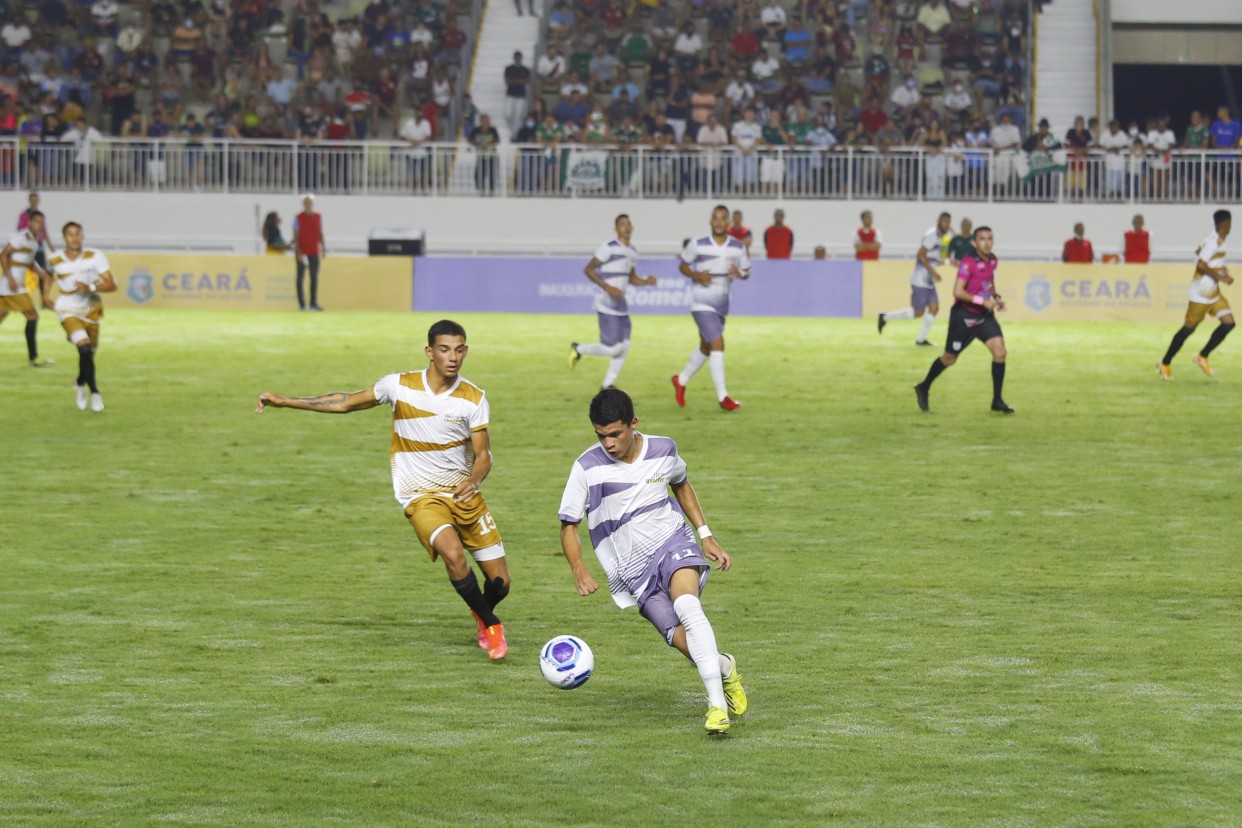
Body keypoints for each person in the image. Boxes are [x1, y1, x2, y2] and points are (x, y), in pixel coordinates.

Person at [256, 319, 511, 660]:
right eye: (445, 349)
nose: (453, 357)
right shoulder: (398, 386)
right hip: (420, 495)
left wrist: (474, 480)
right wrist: (286, 401)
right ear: (429, 352)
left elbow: (484, 456)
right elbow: (346, 401)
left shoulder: (473, 398)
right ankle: (491, 626)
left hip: (464, 496)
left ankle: (480, 609)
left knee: (500, 584)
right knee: (452, 554)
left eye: (460, 350)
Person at [557, 388, 747, 734]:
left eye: (615, 434)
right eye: (601, 436)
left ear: (633, 423)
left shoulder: (663, 449)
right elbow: (568, 524)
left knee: (688, 605)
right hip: (634, 570)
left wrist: (704, 534)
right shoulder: (586, 467)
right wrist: (578, 568)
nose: (609, 443)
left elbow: (681, 484)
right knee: (676, 635)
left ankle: (717, 708)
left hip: (674, 542)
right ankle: (723, 667)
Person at [913, 225, 1014, 414]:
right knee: (949, 359)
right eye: (982, 239)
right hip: (964, 317)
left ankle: (997, 400)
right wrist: (981, 301)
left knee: (1000, 353)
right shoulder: (968, 263)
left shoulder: (993, 260)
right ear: (975, 243)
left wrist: (996, 297)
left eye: (990, 238)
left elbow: (989, 283)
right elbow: (957, 292)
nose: (987, 242)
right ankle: (924, 386)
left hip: (984, 317)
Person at [672, 205, 751, 412]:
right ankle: (723, 397)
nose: (718, 222)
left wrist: (740, 273)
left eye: (722, 218)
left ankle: (680, 380)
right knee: (717, 344)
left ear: (728, 223)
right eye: (715, 218)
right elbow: (682, 265)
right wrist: (697, 275)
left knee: (706, 347)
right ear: (710, 221)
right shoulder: (697, 244)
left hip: (722, 305)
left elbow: (746, 271)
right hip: (701, 302)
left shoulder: (737, 247)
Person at [569, 214, 658, 389]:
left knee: (625, 345)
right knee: (613, 348)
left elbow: (631, 278)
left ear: (632, 227)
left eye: (628, 224)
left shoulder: (633, 251)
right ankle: (579, 349)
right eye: (622, 225)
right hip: (606, 303)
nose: (626, 227)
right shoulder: (608, 247)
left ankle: (607, 384)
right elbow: (588, 269)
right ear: (616, 229)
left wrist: (647, 281)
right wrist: (607, 287)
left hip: (621, 304)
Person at [47, 221, 115, 412]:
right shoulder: (54, 259)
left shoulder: (95, 256)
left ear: (83, 236)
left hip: (91, 309)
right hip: (67, 310)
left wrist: (90, 287)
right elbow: (48, 275)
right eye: (70, 234)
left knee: (89, 356)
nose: (74, 238)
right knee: (84, 349)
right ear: (64, 238)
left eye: (77, 234)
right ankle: (94, 392)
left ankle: (80, 381)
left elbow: (112, 284)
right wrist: (45, 295)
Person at [1158, 210, 1234, 380]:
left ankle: (1202, 356)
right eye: (1230, 224)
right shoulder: (1215, 241)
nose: (1231, 227)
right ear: (1225, 224)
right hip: (1200, 293)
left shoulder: (1214, 239)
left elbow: (1198, 250)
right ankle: (1165, 362)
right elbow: (1200, 264)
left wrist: (1220, 268)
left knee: (1229, 323)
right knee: (1188, 330)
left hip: (1213, 293)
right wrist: (1221, 276)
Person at [878, 211, 952, 347]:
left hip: (928, 280)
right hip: (920, 279)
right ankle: (885, 317)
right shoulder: (932, 235)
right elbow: (921, 255)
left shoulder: (940, 237)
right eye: (944, 221)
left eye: (948, 222)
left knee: (934, 308)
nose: (946, 225)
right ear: (939, 221)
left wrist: (948, 262)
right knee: (918, 312)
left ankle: (921, 339)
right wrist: (934, 272)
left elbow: (933, 258)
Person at [0, 209, 53, 366]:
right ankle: (33, 358)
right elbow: (3, 255)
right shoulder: (21, 237)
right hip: (12, 286)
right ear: (29, 222)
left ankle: (33, 358)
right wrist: (9, 278)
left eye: (42, 223)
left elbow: (28, 260)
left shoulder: (34, 241)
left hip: (11, 286)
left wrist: (39, 271)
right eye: (37, 222)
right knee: (33, 315)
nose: (40, 225)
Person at [291, 194, 326, 311]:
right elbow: (295, 235)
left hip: (314, 252)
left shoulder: (318, 216)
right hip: (302, 252)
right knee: (300, 279)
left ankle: (313, 303)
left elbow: (320, 232)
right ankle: (302, 304)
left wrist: (323, 247)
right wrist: (298, 252)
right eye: (306, 202)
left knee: (314, 277)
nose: (308, 204)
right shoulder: (298, 217)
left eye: (309, 202)